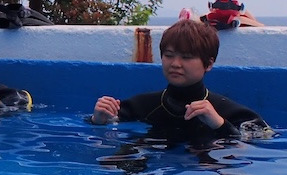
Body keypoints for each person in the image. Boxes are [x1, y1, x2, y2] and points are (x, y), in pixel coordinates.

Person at [90, 18, 272, 139]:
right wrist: (98, 119)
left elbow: (264, 137)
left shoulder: (229, 112)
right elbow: (104, 125)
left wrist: (219, 124)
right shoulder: (142, 106)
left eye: (186, 57)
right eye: (169, 55)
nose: (175, 64)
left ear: (208, 64)